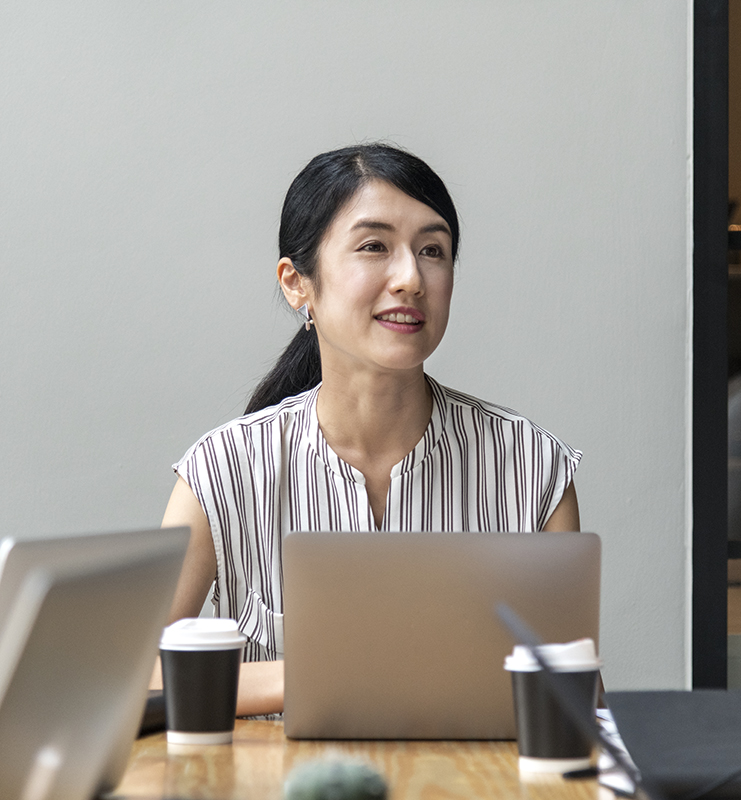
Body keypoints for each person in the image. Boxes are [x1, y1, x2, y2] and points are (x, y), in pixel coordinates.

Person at [158, 143, 581, 716]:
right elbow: (137, 675)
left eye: (433, 250)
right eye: (374, 246)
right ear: (296, 283)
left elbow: (573, 694)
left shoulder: (531, 467)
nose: (410, 277)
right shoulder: (222, 471)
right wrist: (318, 674)